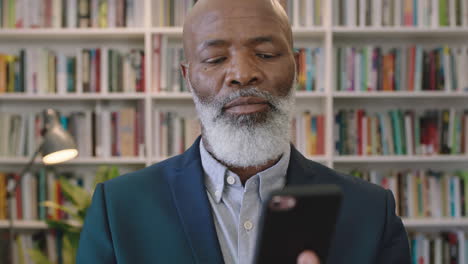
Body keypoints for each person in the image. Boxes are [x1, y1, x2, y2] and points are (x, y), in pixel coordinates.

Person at [76, 0, 411, 263]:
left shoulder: (369, 212)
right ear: (188, 77)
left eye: (265, 54)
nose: (242, 74)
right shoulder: (119, 208)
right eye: (215, 58)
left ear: (296, 67)